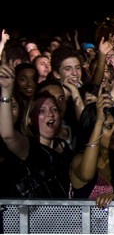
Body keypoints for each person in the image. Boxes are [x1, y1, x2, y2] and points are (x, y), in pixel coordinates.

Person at [0, 65, 73, 198]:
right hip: (32, 217)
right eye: (42, 111)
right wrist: (6, 91)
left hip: (63, 216)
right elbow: (7, 135)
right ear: (29, 119)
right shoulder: (28, 147)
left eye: (54, 109)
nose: (50, 114)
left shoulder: (65, 148)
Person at [69, 95, 114, 208]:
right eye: (109, 126)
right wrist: (99, 122)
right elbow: (87, 175)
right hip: (85, 224)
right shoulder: (78, 160)